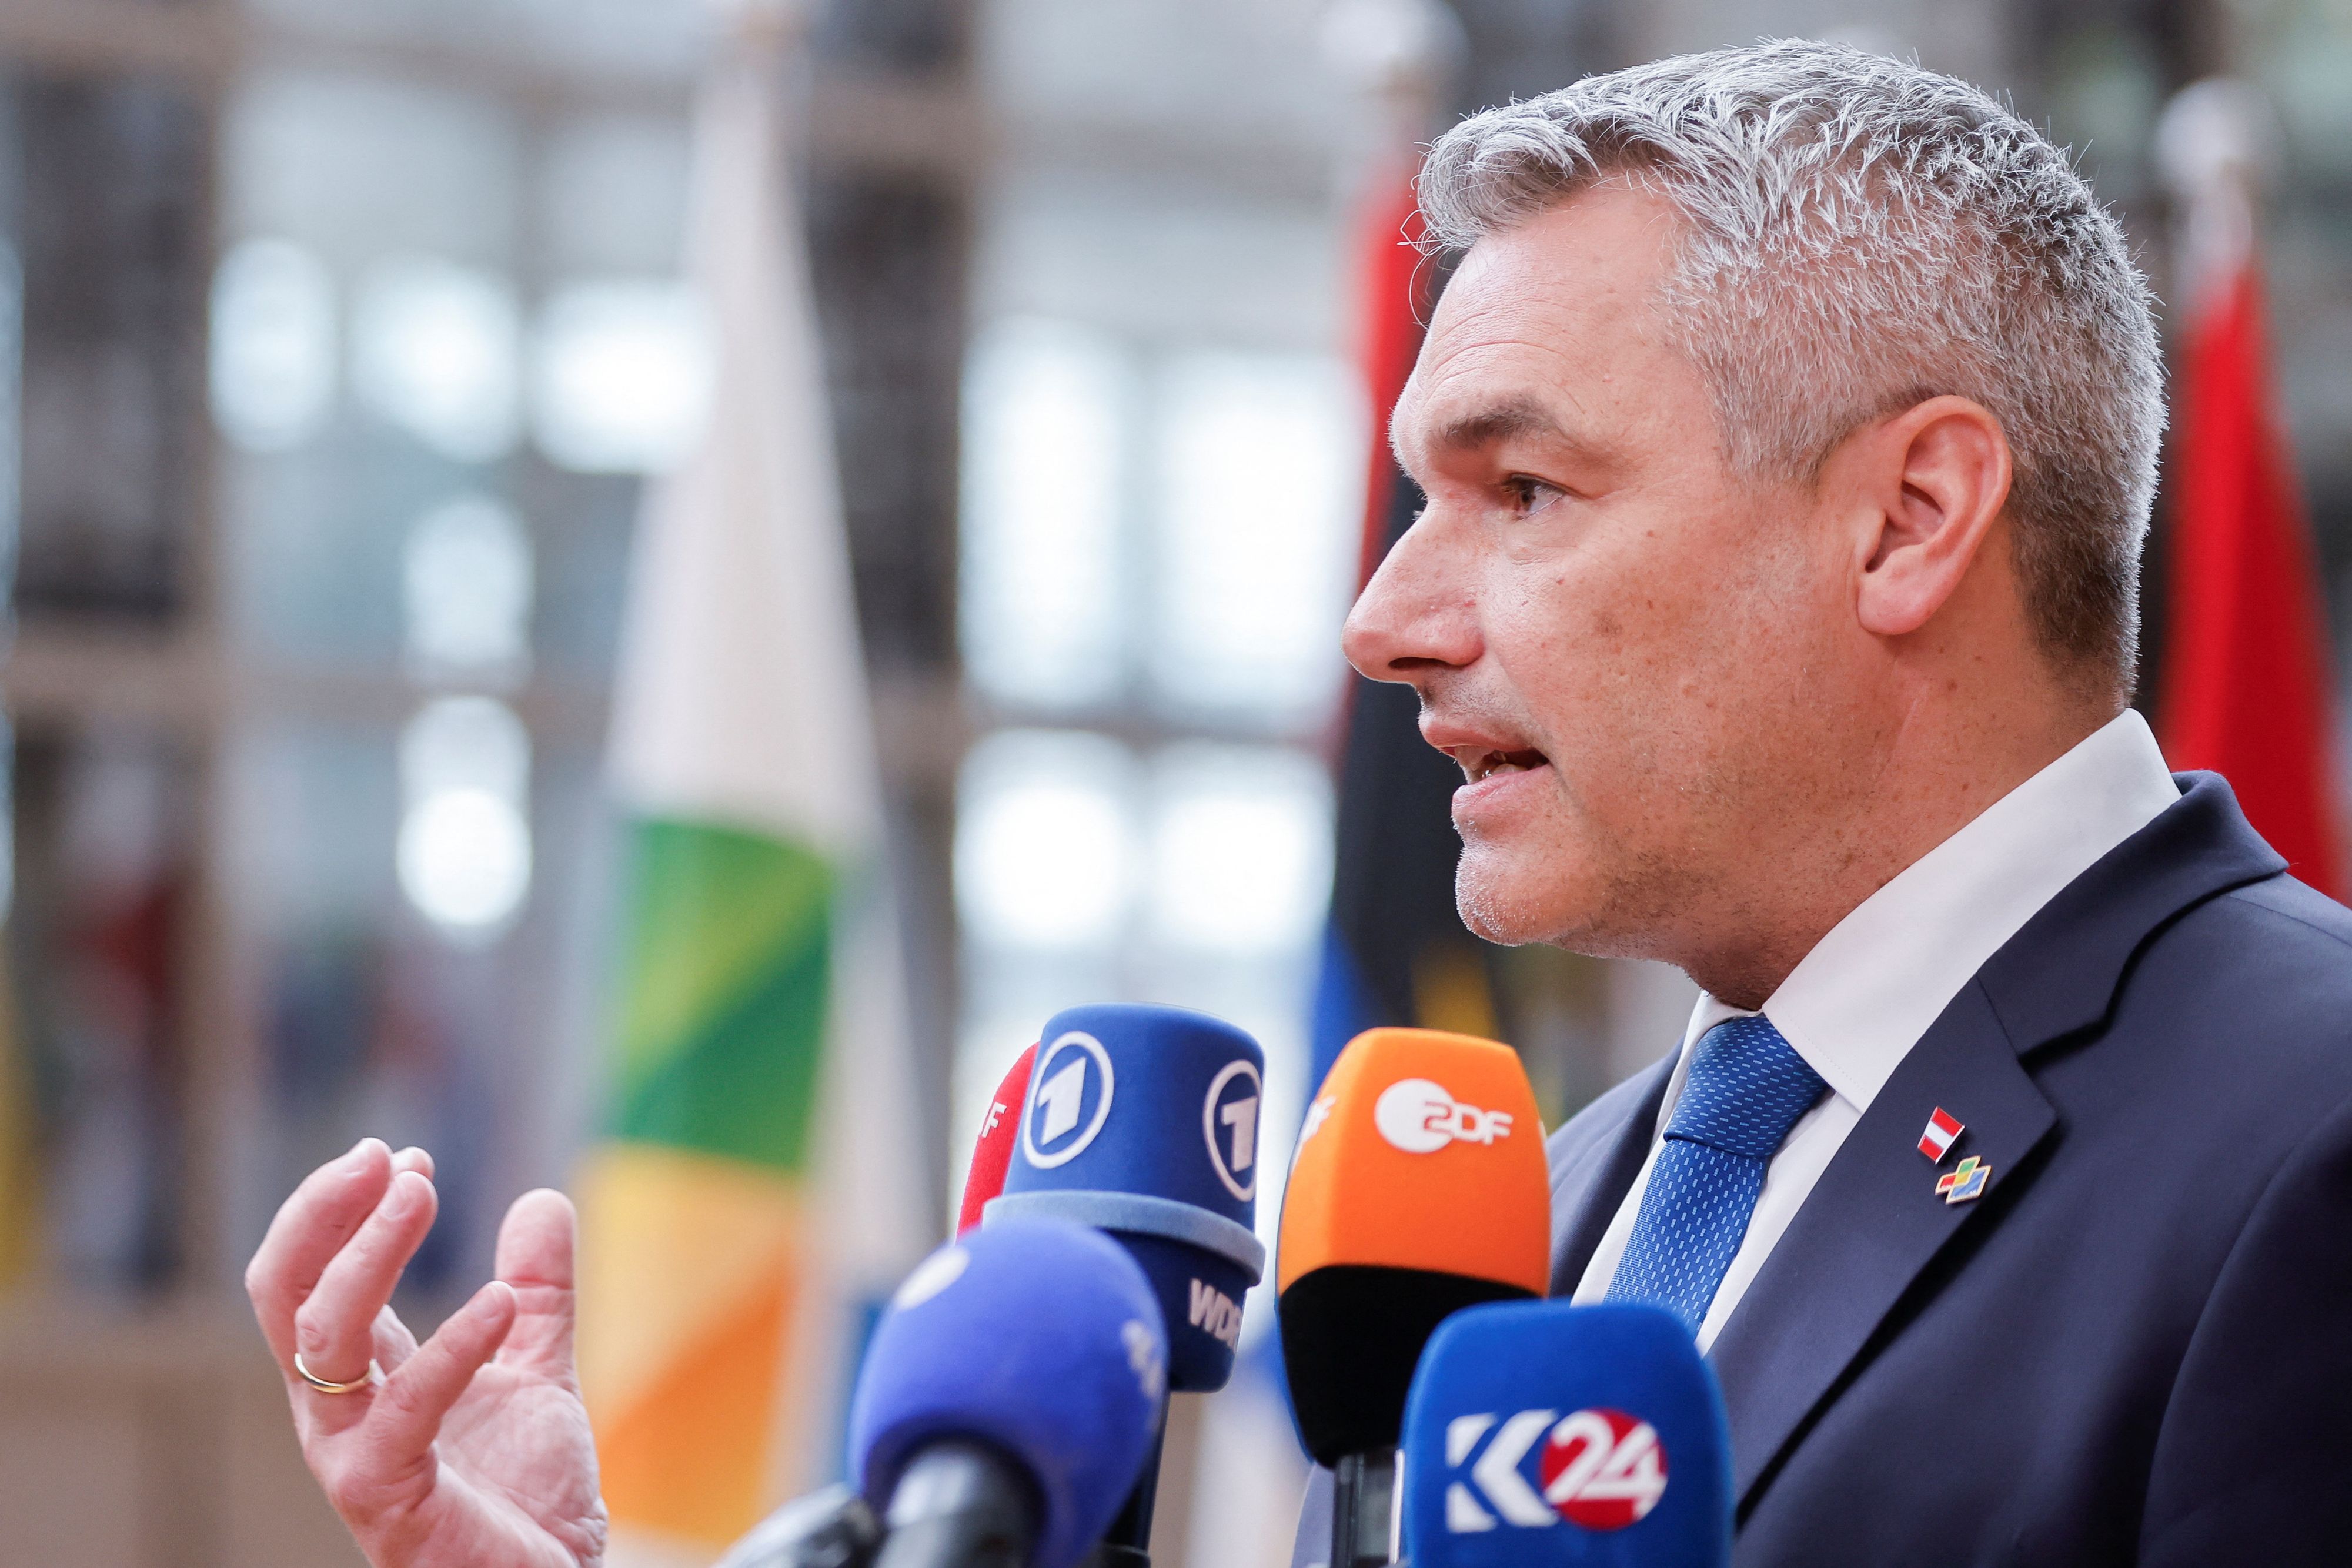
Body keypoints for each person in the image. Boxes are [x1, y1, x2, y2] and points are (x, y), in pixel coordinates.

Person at [249, 38, 2352, 1568]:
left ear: (1908, 519)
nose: (1383, 618)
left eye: (1523, 489)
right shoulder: (1538, 1203)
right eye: (1410, 495)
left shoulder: (2308, 1133)